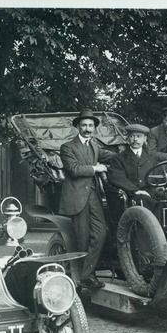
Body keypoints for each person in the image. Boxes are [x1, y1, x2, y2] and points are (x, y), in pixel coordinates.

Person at [59, 109, 116, 289]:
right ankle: (87, 276)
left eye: (91, 125)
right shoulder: (68, 147)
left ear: (94, 128)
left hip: (93, 195)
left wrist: (131, 152)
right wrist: (95, 168)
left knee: (101, 233)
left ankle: (85, 274)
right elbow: (73, 169)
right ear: (78, 126)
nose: (88, 129)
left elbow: (113, 156)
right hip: (76, 197)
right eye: (84, 125)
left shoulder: (95, 146)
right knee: (82, 238)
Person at [108, 123, 167, 210]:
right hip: (131, 195)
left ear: (145, 139)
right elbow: (117, 178)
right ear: (127, 138)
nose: (135, 139)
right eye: (132, 136)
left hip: (151, 193)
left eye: (139, 136)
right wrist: (135, 190)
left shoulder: (151, 157)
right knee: (144, 201)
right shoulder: (119, 159)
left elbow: (159, 175)